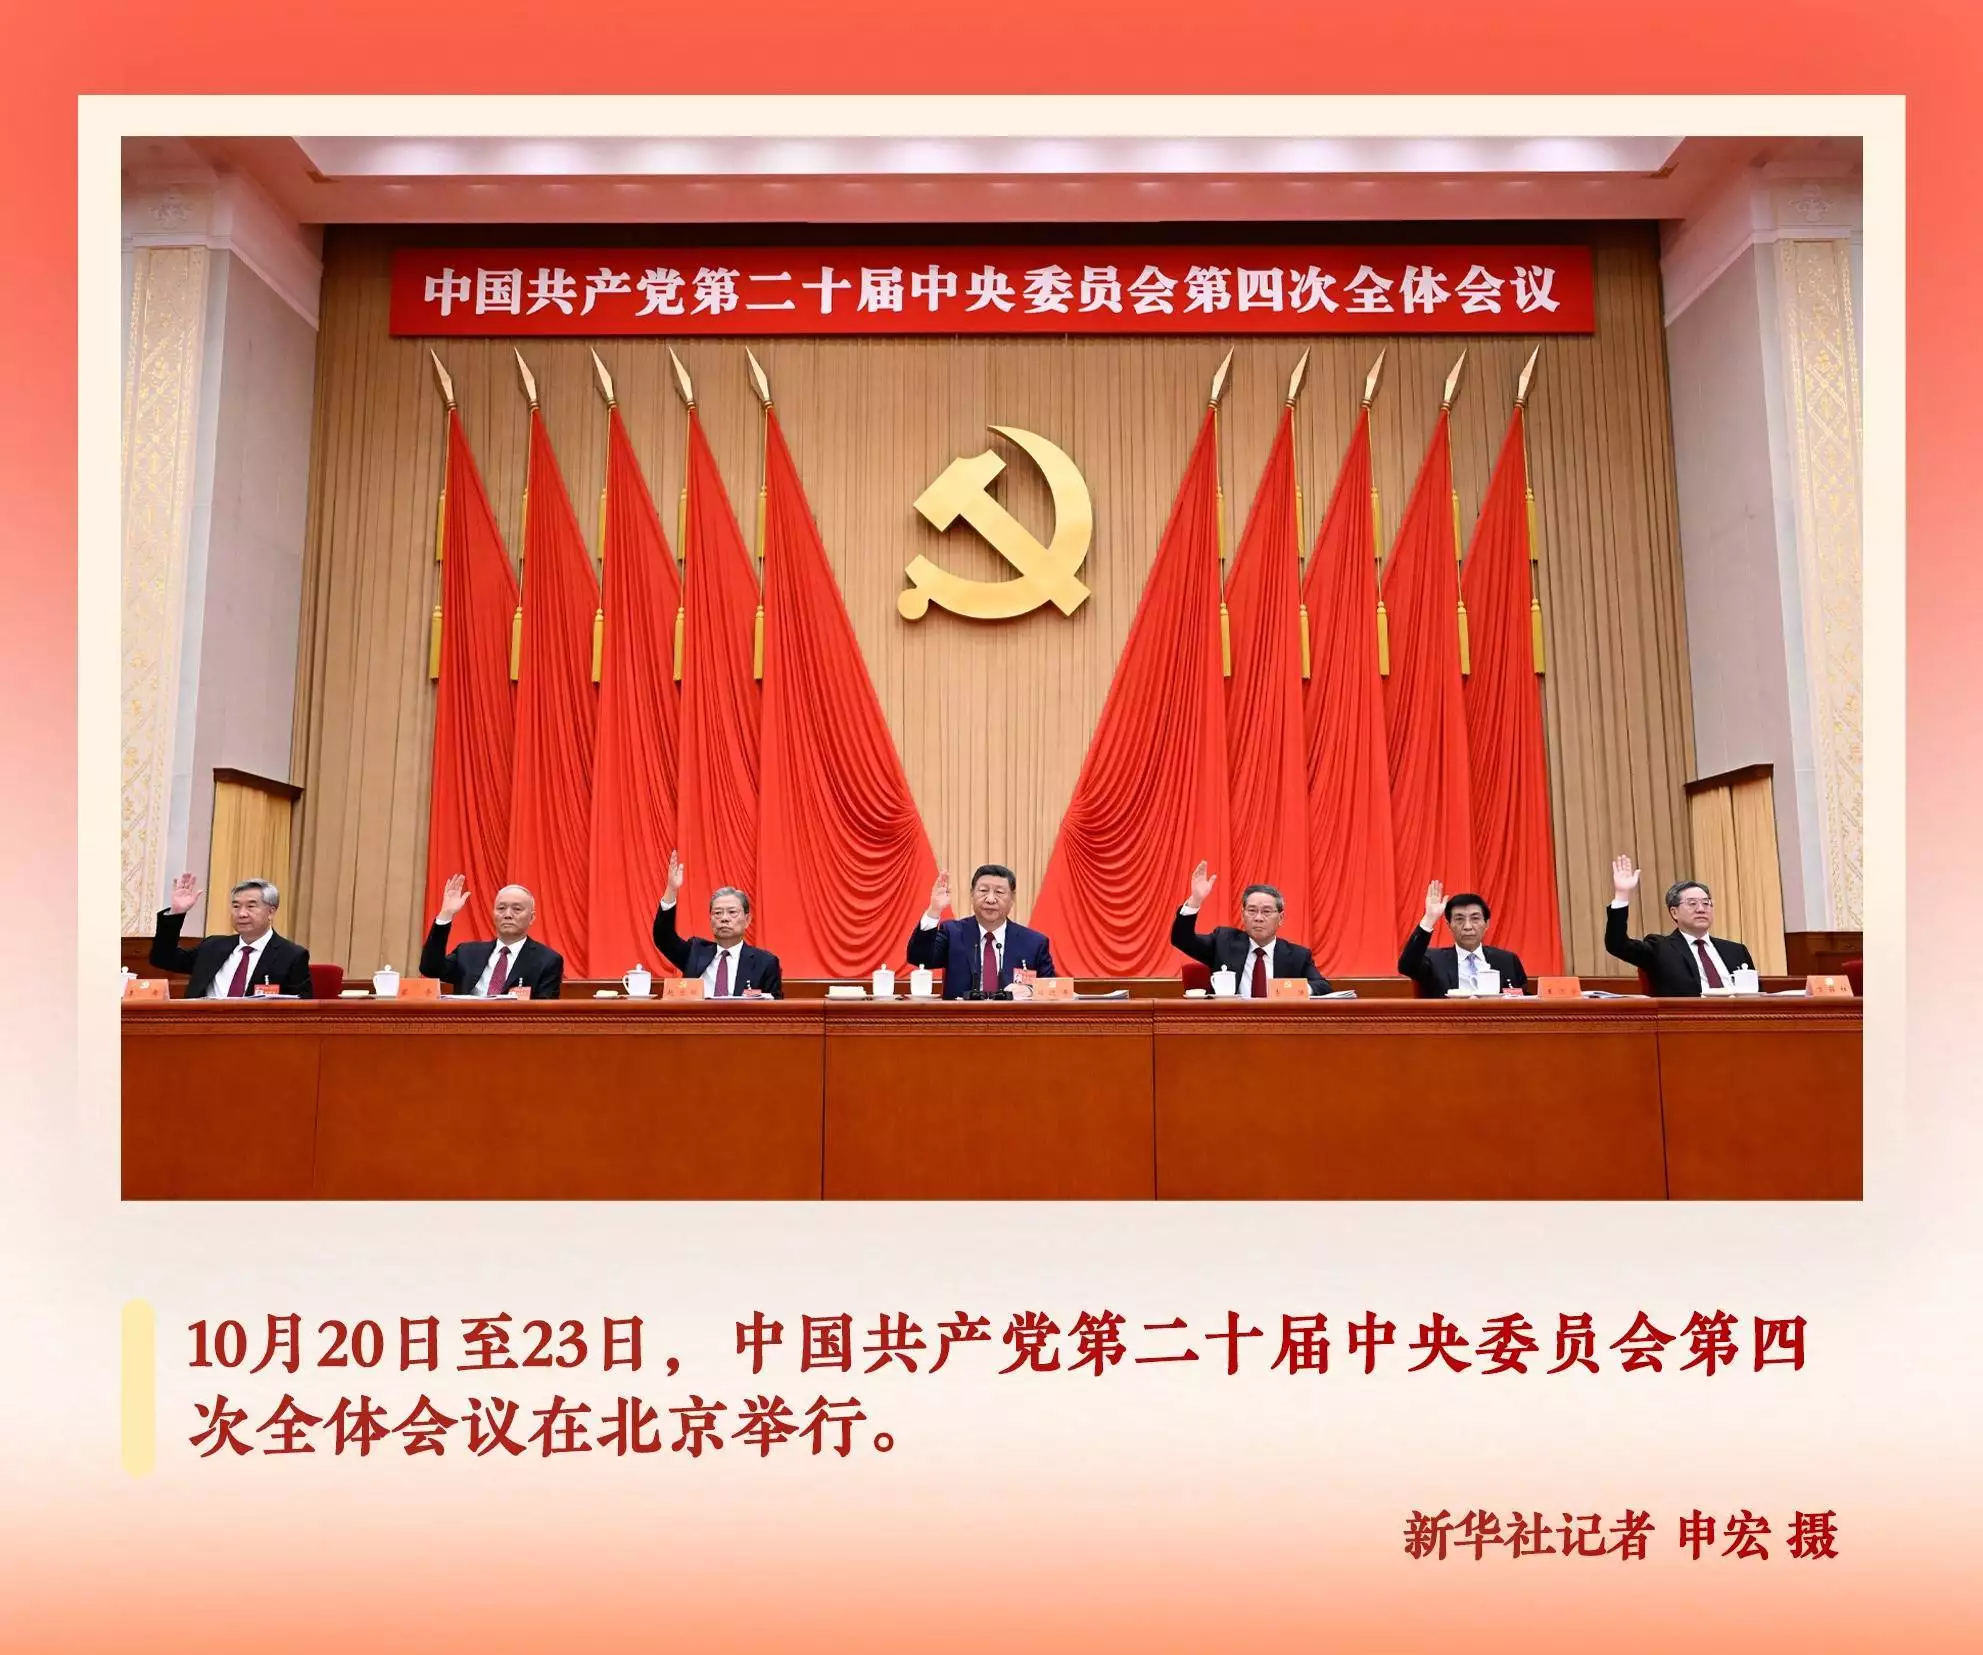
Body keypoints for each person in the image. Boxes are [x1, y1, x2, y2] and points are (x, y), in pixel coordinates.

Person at [1603, 854, 1755, 995]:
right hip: (1688, 1014)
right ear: (1674, 912)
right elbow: (1617, 944)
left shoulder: (1736, 951)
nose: (1701, 909)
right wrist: (1622, 895)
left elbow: (1755, 994)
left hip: (1739, 1014)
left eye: (1706, 903)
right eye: (1692, 903)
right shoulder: (1660, 948)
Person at [1169, 862, 1329, 995]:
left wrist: (1292, 990)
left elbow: (1323, 987)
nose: (1258, 917)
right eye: (1252, 910)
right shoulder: (1223, 942)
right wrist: (1195, 901)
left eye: (1266, 911)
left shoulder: (1297, 955)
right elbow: (1182, 939)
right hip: (1231, 1021)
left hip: (1277, 1022)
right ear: (1242, 915)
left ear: (1280, 918)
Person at [149, 873, 314, 997]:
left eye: (251, 906)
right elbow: (162, 958)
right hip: (201, 1027)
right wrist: (176, 913)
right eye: (236, 906)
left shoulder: (291, 955)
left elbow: (301, 1010)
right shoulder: (213, 947)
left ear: (271, 912)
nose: (241, 914)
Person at [908, 864, 1056, 999]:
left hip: (1012, 1019)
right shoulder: (952, 933)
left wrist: (1030, 990)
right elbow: (920, 959)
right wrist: (934, 910)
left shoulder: (1034, 943)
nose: (990, 899)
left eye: (999, 892)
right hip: (961, 1018)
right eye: (983, 891)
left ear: (1012, 898)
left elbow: (1053, 988)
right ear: (972, 894)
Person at [651, 851, 782, 998]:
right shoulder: (695, 953)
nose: (724, 918)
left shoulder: (765, 963)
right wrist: (671, 890)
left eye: (732, 912)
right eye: (717, 913)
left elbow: (775, 1007)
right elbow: (663, 937)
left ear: (747, 920)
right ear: (710, 919)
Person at [420, 875, 564, 998]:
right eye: (501, 908)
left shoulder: (547, 960)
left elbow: (544, 1012)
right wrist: (446, 913)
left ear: (531, 918)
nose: (507, 915)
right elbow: (430, 968)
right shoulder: (467, 953)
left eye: (517, 909)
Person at [1398, 880, 1528, 996]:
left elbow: (1522, 997)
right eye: (1459, 919)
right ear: (1449, 925)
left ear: (1486, 924)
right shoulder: (1433, 960)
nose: (1467, 927)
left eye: (1475, 918)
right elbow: (1406, 966)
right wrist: (1429, 918)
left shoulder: (1507, 960)